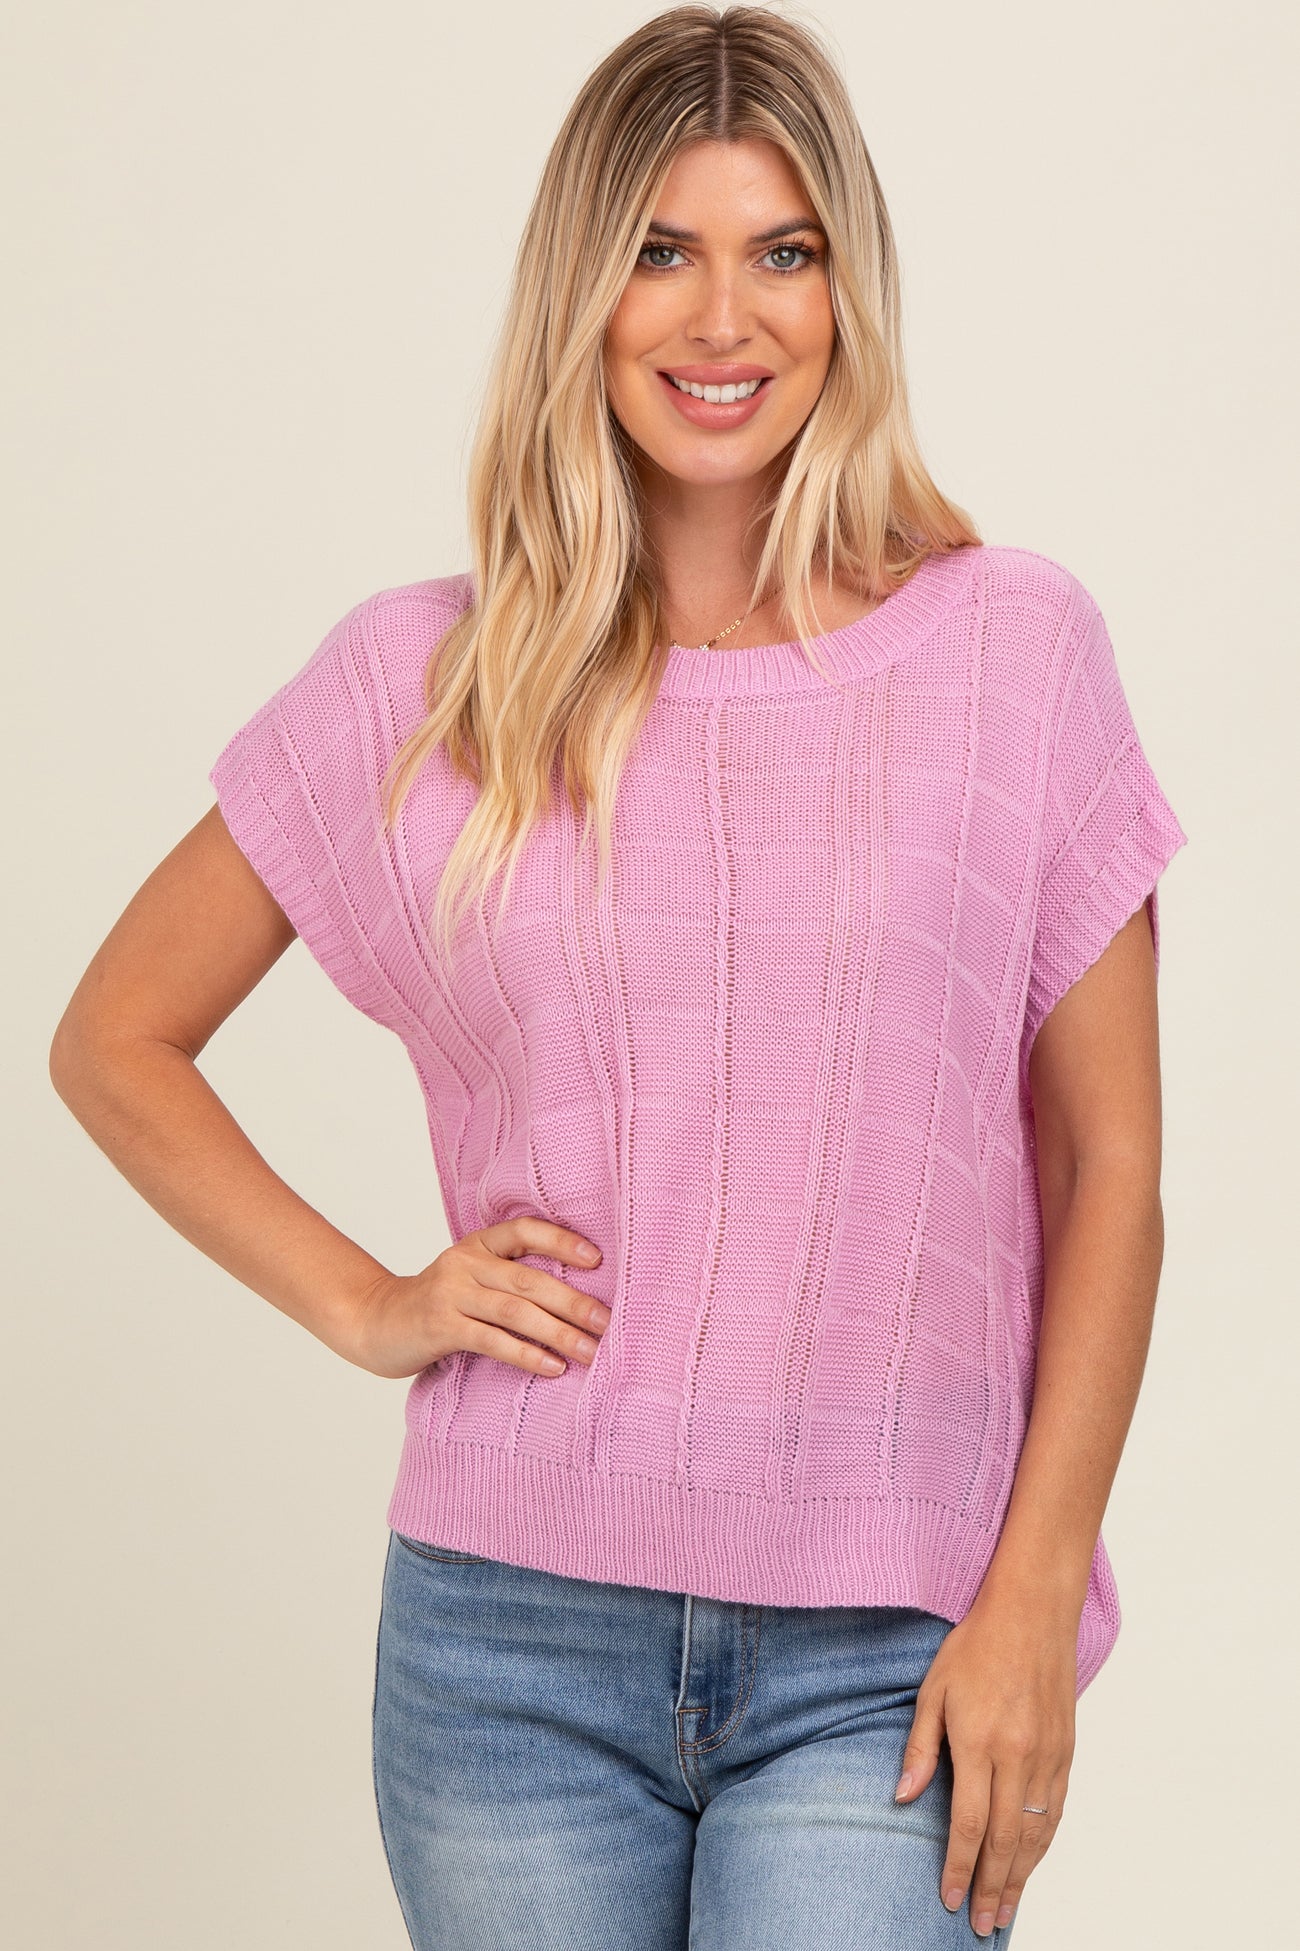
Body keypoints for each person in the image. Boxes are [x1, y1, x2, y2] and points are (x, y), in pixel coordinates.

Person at [48, 6, 1189, 1947]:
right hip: (508, 1646)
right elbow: (115, 1037)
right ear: (581, 290)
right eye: (661, 250)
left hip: (889, 1643)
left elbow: (1110, 1171)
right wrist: (370, 1303)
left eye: (781, 251)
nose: (721, 318)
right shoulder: (430, 681)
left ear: (846, 291)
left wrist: (1029, 1594)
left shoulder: (1010, 653)